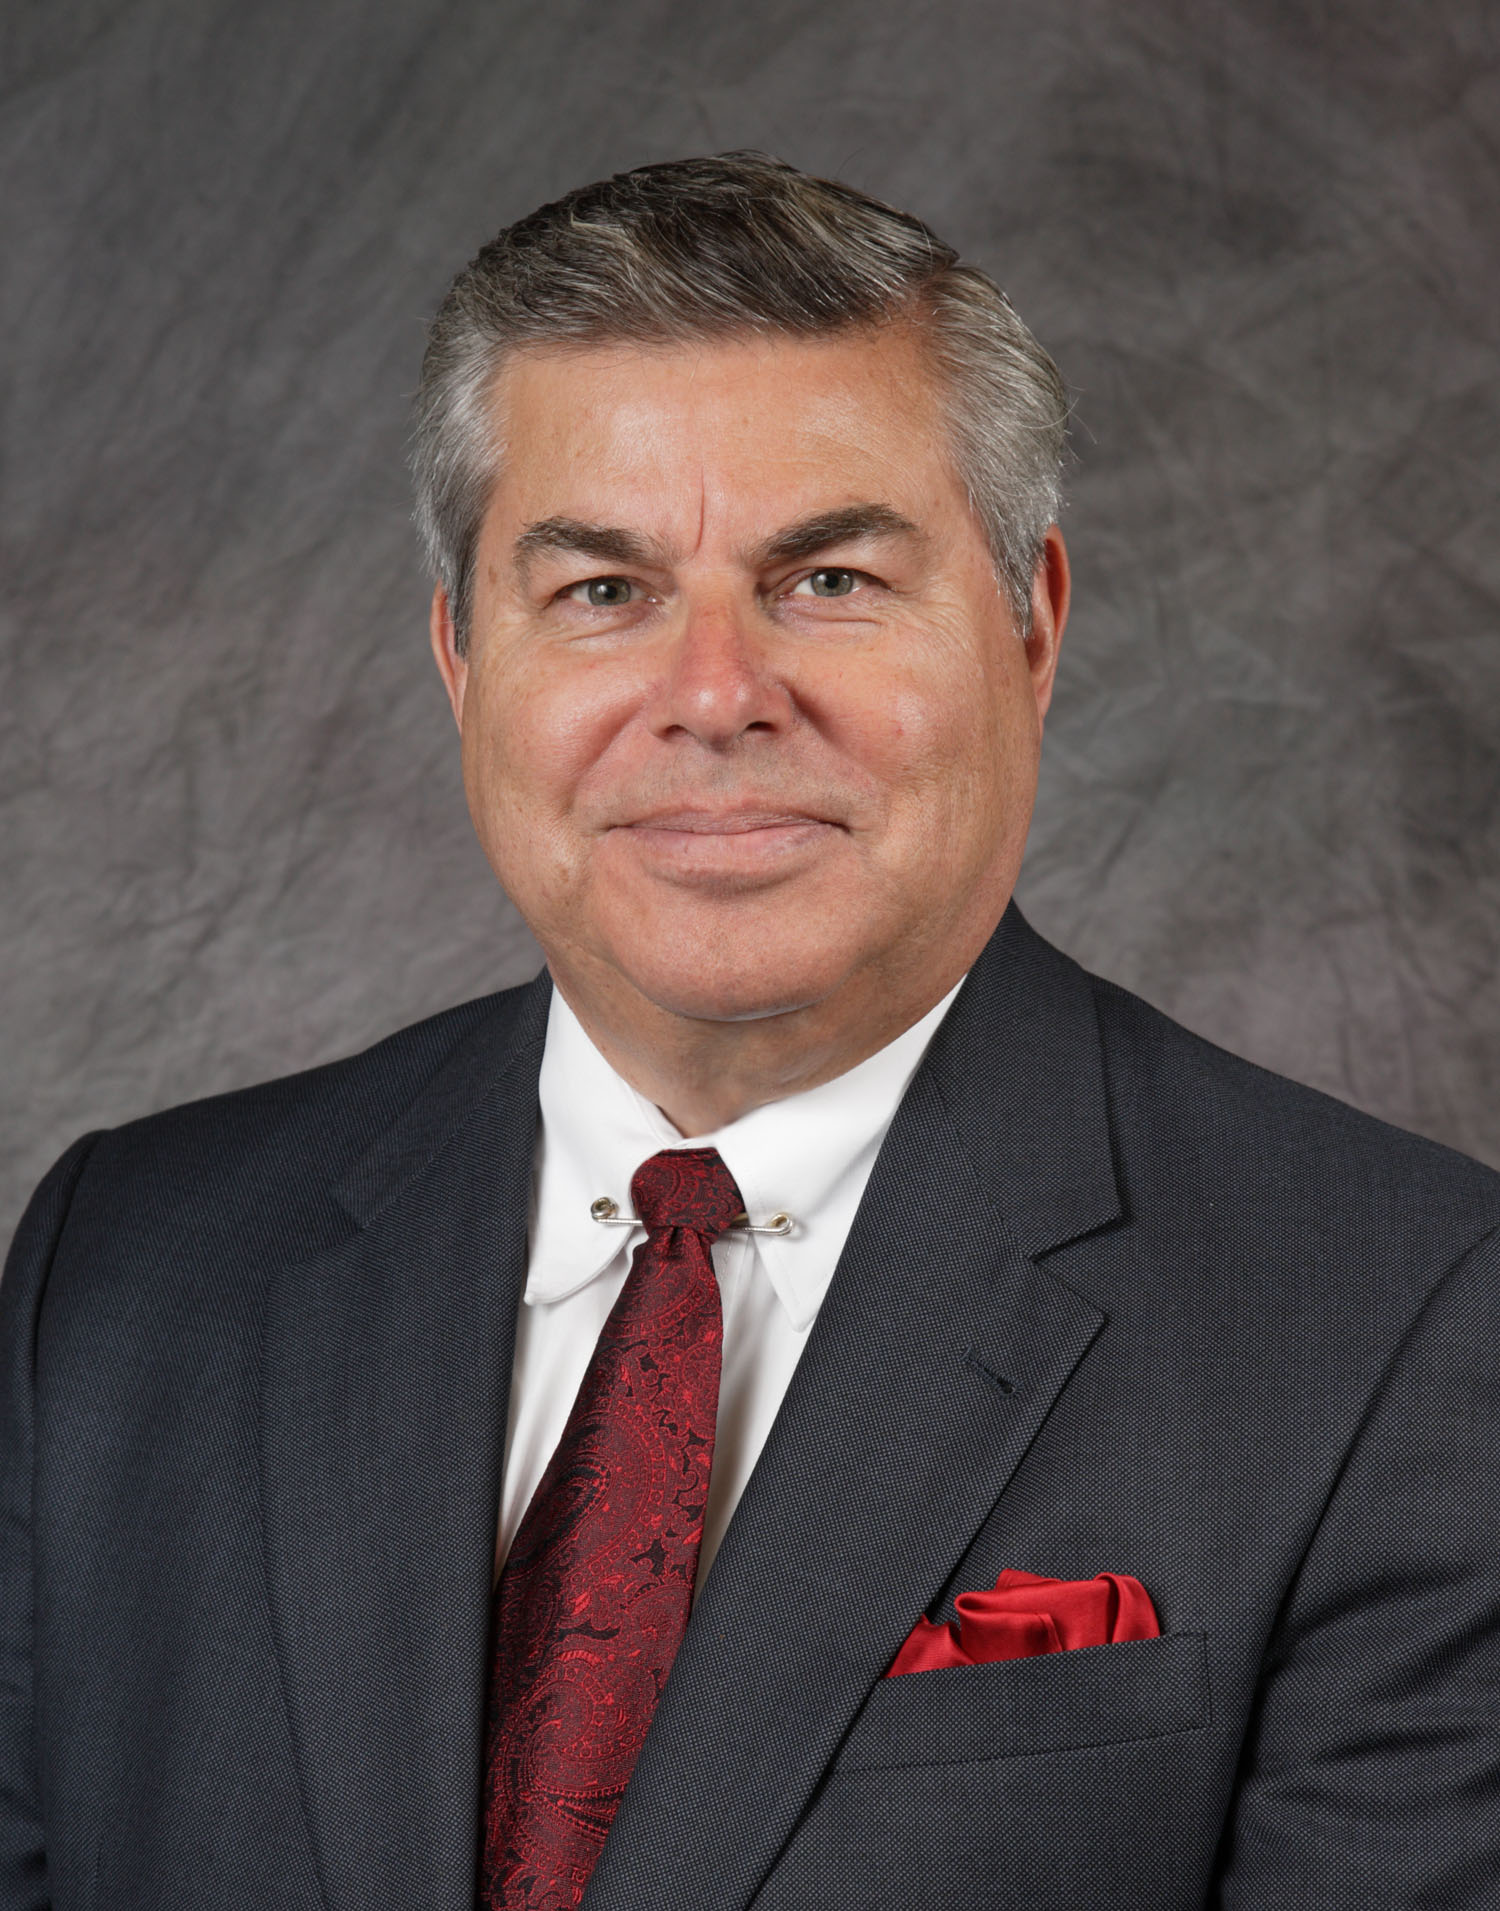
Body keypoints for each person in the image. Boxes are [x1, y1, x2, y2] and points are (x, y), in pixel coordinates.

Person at [2, 152, 1497, 1911]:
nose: (716, 696)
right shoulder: (128, 1270)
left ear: (1032, 627)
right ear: (463, 660)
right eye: (603, 594)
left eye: (833, 580)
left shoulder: (1408, 1324)